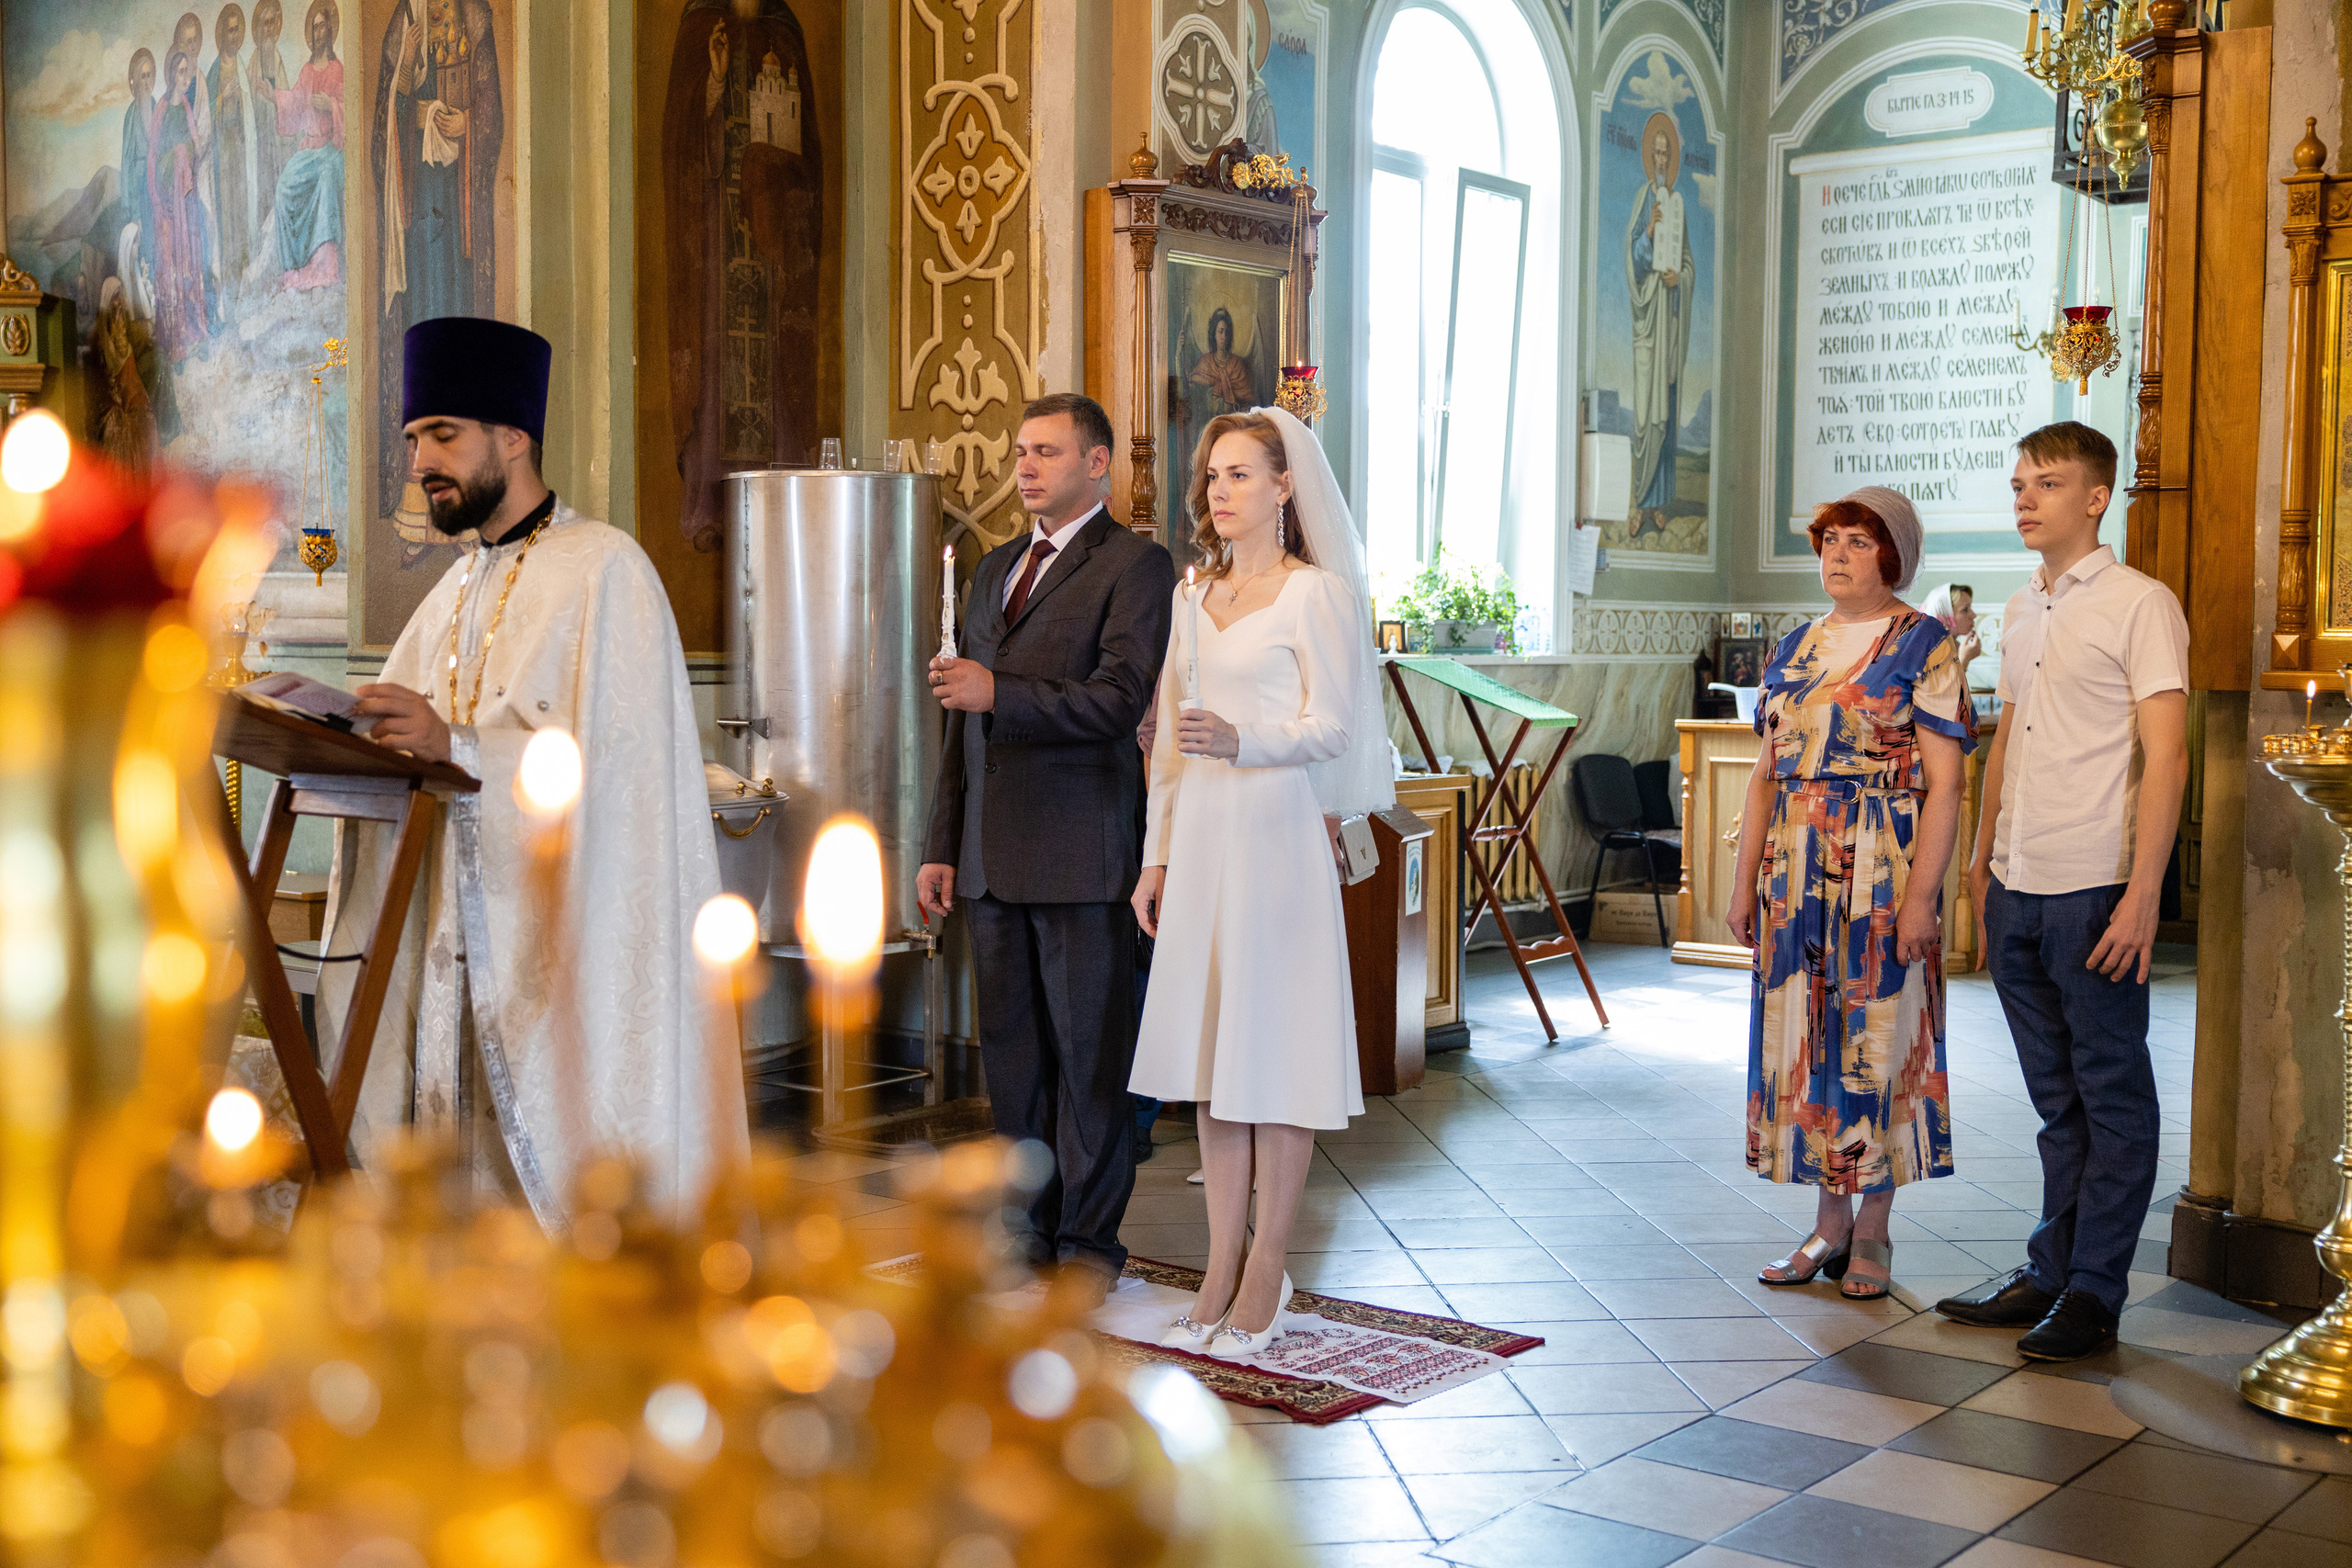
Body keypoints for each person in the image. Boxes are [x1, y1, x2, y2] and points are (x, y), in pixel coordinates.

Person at [317, 318, 748, 1229]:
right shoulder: (451, 592)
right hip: (455, 945)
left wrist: (459, 746)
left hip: (557, 960)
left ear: (512, 436)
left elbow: (620, 784)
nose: (420, 463)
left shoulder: (606, 571)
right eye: (413, 440)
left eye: (442, 435)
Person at [1129, 407, 1389, 1359]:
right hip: (1201, 841)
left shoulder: (1315, 594)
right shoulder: (1190, 596)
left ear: (1285, 487)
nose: (1221, 490)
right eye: (1213, 476)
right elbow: (1167, 744)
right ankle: (1217, 1264)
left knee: (1273, 1059)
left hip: (1275, 839)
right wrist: (1155, 857)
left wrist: (1248, 740)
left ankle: (1268, 1266)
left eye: (1241, 474)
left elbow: (1336, 728)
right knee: (1214, 1060)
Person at [917, 392, 1176, 1306]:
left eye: (1047, 452)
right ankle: (1024, 1233)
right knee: (1014, 1063)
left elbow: (1117, 700)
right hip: (990, 859)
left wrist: (1000, 691)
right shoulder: (993, 568)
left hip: (1079, 853)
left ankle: (1088, 1244)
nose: (1024, 467)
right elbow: (961, 721)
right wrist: (942, 843)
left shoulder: (1136, 567)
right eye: (1021, 451)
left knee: (1088, 1063)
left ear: (1097, 463)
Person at [1937, 423, 2188, 1361]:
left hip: (2095, 884)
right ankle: (2051, 1269)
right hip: (2016, 881)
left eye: (2045, 483)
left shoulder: (2141, 604)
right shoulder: (2021, 607)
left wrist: (2144, 892)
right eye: (2017, 484)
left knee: (2111, 1092)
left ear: (2095, 497)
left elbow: (2167, 755)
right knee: (2057, 1100)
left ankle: (2094, 1292)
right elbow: (2007, 739)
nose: (2024, 499)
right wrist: (1980, 860)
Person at [1726, 485, 1973, 1302]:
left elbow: (1947, 784)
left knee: (1877, 1040)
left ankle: (1872, 1227)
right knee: (1806, 1042)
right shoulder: (1795, 646)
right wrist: (1743, 882)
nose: (1837, 553)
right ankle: (1827, 1223)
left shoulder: (1925, 644)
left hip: (1880, 868)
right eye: (1829, 538)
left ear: (1892, 556)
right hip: (1794, 868)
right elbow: (1766, 774)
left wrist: (1922, 897)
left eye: (1858, 541)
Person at [1625, 108, 1693, 541]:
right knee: (1646, 413)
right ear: (1650, 157)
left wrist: (1678, 279)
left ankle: (1659, 502)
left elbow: (1688, 264)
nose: (1663, 160)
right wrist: (1648, 231)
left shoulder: (1679, 205)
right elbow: (1631, 258)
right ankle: (1639, 499)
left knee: (1666, 407)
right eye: (1658, 153)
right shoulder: (1643, 201)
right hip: (1648, 317)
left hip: (1669, 317)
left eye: (1668, 154)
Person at [270, 0, 345, 290]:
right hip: (309, 149)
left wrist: (331, 105)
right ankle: (293, 268)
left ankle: (324, 268)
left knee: (326, 177)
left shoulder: (337, 70)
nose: (318, 32)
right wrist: (273, 95)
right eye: (314, 28)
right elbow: (293, 102)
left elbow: (350, 110)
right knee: (283, 187)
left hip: (332, 149)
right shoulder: (306, 71)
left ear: (330, 31)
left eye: (322, 26)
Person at [1920, 582, 1983, 687]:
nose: (1974, 615)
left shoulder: (1954, 646)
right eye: (1965, 610)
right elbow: (1942, 693)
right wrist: (1964, 660)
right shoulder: (1927, 651)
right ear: (1944, 616)